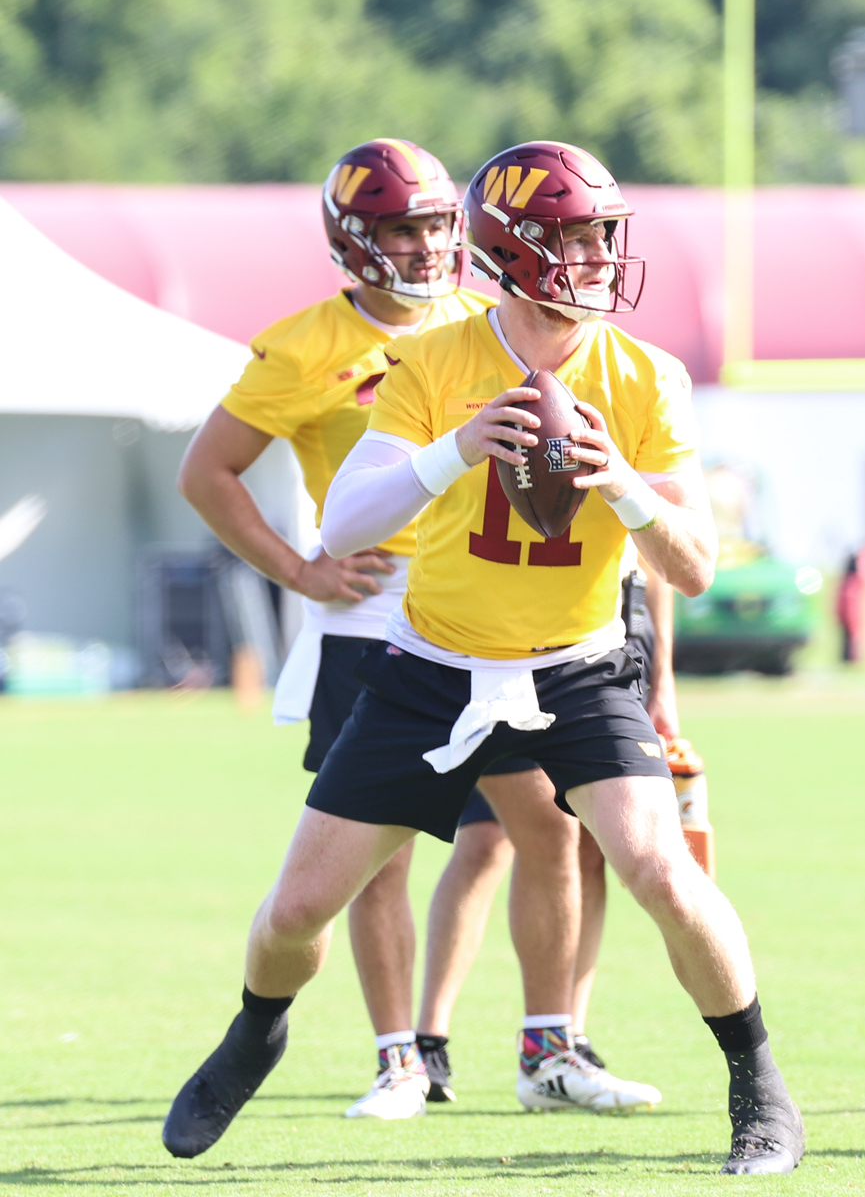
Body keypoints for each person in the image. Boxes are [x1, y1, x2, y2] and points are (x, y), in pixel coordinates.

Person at [165, 139, 804, 1175]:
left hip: (576, 663)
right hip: (430, 663)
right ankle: (257, 1033)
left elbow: (691, 566)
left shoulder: (645, 375)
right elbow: (340, 525)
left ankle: (759, 1089)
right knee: (295, 910)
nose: (600, 256)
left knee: (660, 871)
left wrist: (621, 484)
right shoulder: (434, 358)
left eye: (605, 235)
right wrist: (454, 447)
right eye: (577, 238)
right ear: (517, 251)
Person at [415, 560, 680, 1084]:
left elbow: (660, 559)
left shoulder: (646, 475)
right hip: (514, 637)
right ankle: (430, 1038)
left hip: (615, 630)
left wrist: (665, 678)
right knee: (488, 840)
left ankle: (565, 1035)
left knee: (586, 848)